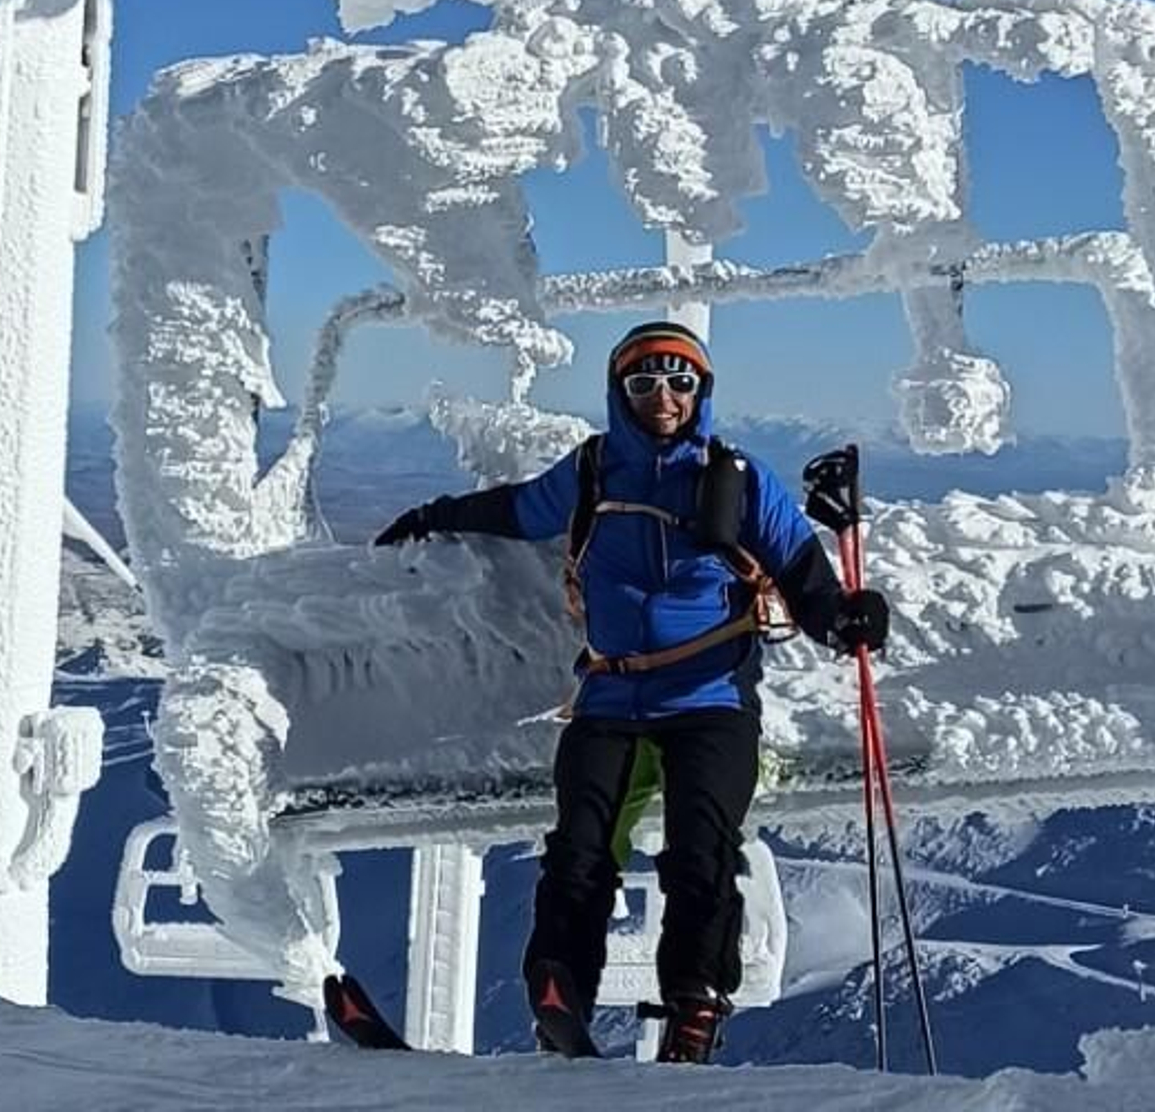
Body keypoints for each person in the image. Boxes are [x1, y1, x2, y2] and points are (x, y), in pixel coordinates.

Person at [370, 321, 888, 1064]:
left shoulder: (738, 479)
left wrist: (844, 621)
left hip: (711, 698)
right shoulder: (592, 470)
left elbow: (806, 581)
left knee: (702, 852)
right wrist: (435, 516)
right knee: (579, 849)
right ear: (620, 393)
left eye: (680, 381)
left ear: (702, 391)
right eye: (644, 383)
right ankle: (561, 990)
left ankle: (694, 1003)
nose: (663, 397)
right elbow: (518, 511)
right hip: (610, 697)